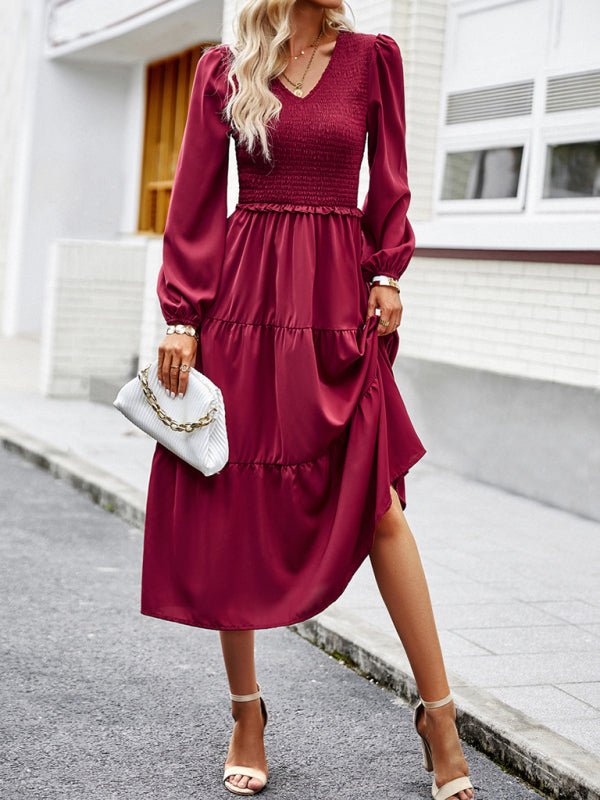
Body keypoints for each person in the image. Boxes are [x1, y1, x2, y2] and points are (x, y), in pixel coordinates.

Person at [140, 2, 474, 799]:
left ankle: (441, 715)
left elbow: (388, 177)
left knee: (383, 504)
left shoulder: (373, 59)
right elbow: (193, 199)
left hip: (335, 301)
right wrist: (183, 316)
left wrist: (388, 270)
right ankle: (247, 712)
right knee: (234, 503)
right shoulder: (226, 66)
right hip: (245, 303)